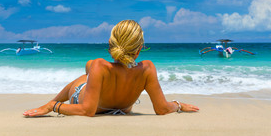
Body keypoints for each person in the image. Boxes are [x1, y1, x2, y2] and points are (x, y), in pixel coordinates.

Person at [23, 20, 199, 117]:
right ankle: (84, 79)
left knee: (88, 70)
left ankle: (55, 97)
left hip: (80, 97)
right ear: (139, 50)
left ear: (111, 45)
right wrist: (178, 105)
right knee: (90, 70)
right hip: (119, 106)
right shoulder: (147, 69)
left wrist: (53, 106)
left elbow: (87, 110)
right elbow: (162, 109)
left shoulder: (100, 65)